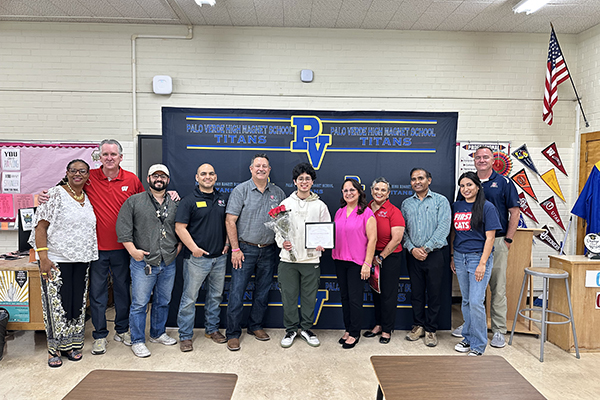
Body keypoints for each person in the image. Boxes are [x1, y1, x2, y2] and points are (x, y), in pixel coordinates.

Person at [39, 139, 145, 355]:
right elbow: (65, 187)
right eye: (105, 154)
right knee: (97, 294)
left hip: (123, 248)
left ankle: (122, 329)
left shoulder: (132, 180)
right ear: (99, 157)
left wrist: (171, 194)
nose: (109, 158)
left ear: (120, 157)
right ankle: (99, 335)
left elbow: (145, 203)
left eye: (113, 154)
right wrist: (43, 195)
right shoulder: (89, 178)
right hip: (95, 250)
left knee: (123, 291)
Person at [29, 159, 98, 367]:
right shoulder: (55, 194)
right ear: (67, 173)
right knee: (56, 305)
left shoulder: (86, 197)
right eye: (73, 170)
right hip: (57, 260)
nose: (78, 174)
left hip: (82, 259)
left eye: (82, 171)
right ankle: (54, 349)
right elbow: (40, 227)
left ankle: (72, 345)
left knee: (76, 305)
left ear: (87, 175)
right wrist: (43, 258)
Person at [452, 146, 520, 349]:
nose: (481, 160)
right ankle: (470, 326)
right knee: (472, 295)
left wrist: (507, 239)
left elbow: (514, 212)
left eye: (485, 157)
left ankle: (498, 330)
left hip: (495, 240)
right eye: (478, 157)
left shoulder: (504, 182)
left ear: (493, 160)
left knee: (497, 287)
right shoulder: (467, 182)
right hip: (468, 246)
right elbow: (460, 216)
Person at [116, 164, 181, 358]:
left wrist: (177, 249)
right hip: (143, 262)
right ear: (148, 178)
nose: (159, 179)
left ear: (168, 180)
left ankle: (157, 333)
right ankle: (137, 340)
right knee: (140, 303)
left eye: (163, 176)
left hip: (168, 261)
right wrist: (133, 252)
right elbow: (123, 229)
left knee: (163, 301)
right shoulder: (134, 201)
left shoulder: (176, 203)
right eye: (155, 175)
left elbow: (182, 228)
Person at [225, 153, 286, 351]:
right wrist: (235, 249)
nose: (261, 169)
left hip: (269, 251)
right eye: (257, 166)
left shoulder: (278, 193)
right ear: (251, 169)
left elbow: (283, 223)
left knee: (262, 292)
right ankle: (233, 333)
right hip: (244, 250)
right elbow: (230, 221)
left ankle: (255, 326)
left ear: (269, 170)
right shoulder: (240, 190)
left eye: (265, 166)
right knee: (237, 292)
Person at [275, 163, 331, 348]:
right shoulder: (285, 204)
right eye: (301, 179)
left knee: (309, 296)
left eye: (308, 178)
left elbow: (326, 230)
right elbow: (277, 231)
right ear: (295, 182)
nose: (304, 182)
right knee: (289, 296)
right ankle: (291, 330)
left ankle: (306, 329)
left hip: (311, 260)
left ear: (312, 181)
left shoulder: (320, 205)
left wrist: (324, 244)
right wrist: (282, 243)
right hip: (288, 260)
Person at [175, 163, 229, 352]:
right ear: (196, 178)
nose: (208, 176)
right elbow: (179, 227)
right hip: (196, 260)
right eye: (203, 174)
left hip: (219, 259)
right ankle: (185, 336)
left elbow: (229, 223)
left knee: (215, 296)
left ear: (215, 177)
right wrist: (194, 248)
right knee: (190, 298)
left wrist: (228, 244)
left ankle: (212, 330)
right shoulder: (188, 201)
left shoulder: (223, 199)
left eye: (211, 173)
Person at [451, 171, 501, 356]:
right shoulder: (456, 206)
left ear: (478, 187)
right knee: (466, 300)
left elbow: (490, 238)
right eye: (462, 186)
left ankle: (479, 345)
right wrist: (452, 256)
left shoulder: (487, 207)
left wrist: (482, 263)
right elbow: (454, 233)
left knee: (476, 301)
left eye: (469, 185)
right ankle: (468, 338)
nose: (465, 189)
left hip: (478, 258)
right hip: (459, 256)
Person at [401, 168, 451, 347]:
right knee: (416, 293)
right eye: (413, 179)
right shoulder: (406, 204)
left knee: (435, 294)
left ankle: (431, 330)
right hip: (413, 255)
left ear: (429, 180)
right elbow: (403, 231)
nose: (417, 182)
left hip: (435, 254)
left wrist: (427, 248)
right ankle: (418, 325)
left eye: (420, 178)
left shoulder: (441, 201)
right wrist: (412, 248)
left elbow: (444, 228)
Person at [332, 178, 377, 349]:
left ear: (359, 192)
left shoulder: (366, 213)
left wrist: (367, 263)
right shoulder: (339, 212)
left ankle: (355, 333)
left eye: (352, 190)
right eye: (345, 190)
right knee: (345, 297)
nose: (349, 193)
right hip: (340, 259)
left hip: (357, 262)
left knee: (355, 299)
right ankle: (348, 328)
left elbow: (373, 239)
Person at [362, 177, 405, 344]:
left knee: (388, 294)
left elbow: (397, 239)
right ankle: (378, 325)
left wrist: (380, 257)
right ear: (372, 191)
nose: (379, 192)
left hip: (389, 256)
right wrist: (371, 256)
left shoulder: (394, 211)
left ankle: (387, 329)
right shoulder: (365, 208)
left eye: (383, 190)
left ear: (388, 193)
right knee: (376, 292)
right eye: (376, 189)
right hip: (371, 255)